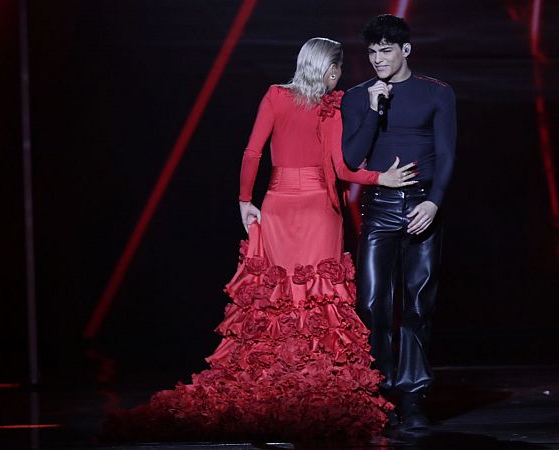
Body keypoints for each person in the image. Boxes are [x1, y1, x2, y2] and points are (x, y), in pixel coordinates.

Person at [103, 37, 418, 441]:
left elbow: (252, 153)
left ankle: (277, 380)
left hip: (278, 206)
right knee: (318, 298)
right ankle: (314, 384)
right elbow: (341, 168)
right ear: (333, 69)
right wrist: (381, 178)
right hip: (319, 209)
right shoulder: (330, 106)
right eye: (338, 69)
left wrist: (244, 201)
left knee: (277, 298)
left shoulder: (275, 96)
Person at [341, 14, 457, 430]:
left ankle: (411, 397)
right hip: (379, 206)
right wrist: (374, 110)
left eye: (385, 50)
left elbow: (446, 153)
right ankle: (379, 389)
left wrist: (434, 203)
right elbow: (351, 160)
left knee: (417, 303)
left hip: (422, 206)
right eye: (371, 52)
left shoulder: (436, 93)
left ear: (405, 50)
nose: (378, 59)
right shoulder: (357, 97)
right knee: (371, 302)